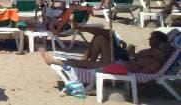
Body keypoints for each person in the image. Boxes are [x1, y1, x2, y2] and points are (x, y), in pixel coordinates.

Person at [42, 31, 173, 74]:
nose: (149, 39)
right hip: (123, 62)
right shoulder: (153, 52)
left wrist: (137, 62)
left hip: (121, 67)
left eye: (152, 37)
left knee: (86, 64)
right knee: (101, 37)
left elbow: (146, 69)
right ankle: (85, 60)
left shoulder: (157, 54)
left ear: (159, 41)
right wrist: (132, 53)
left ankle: (54, 60)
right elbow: (137, 60)